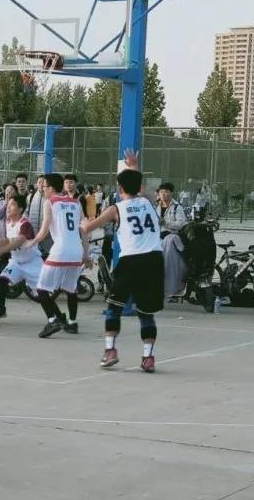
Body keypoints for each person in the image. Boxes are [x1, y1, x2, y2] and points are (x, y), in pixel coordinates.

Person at [82, 153, 163, 372]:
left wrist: (83, 222)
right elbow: (137, 185)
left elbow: (89, 228)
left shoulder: (116, 209)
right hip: (154, 260)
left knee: (114, 307)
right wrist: (134, 166)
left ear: (119, 189)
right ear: (140, 187)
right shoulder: (147, 202)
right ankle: (148, 357)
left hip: (131, 261)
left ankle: (110, 351)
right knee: (146, 312)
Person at [25, 173, 89, 338]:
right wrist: (86, 253)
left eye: (44, 186)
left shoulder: (50, 202)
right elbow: (84, 228)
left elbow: (45, 228)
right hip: (76, 251)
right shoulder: (76, 202)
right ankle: (72, 323)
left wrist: (32, 242)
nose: (42, 189)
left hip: (60, 250)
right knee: (70, 288)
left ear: (51, 188)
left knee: (40, 288)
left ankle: (53, 320)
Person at [0, 195, 43, 320]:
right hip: (17, 262)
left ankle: (58, 317)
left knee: (41, 296)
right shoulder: (8, 222)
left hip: (32, 262)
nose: (8, 207)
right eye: (8, 204)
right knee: (2, 280)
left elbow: (18, 242)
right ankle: (1, 309)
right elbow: (8, 240)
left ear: (20, 208)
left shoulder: (25, 224)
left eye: (12, 205)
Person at [156, 182, 188, 298]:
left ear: (171, 193)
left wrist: (166, 223)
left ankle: (171, 288)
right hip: (157, 237)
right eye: (162, 192)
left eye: (167, 192)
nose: (164, 194)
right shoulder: (155, 206)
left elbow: (181, 224)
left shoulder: (177, 207)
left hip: (171, 237)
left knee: (168, 261)